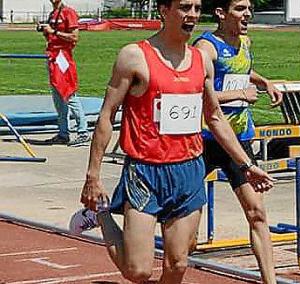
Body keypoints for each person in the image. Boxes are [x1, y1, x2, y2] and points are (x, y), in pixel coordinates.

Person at [68, 0, 274, 283]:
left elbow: (214, 117)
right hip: (145, 172)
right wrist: (93, 175)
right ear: (164, 11)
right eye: (184, 7)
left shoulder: (200, 61)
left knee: (177, 264)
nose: (192, 15)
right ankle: (102, 213)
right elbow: (107, 116)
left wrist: (246, 164)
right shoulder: (134, 56)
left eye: (197, 8)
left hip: (188, 171)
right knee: (137, 270)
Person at [192, 1, 282, 283]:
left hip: (239, 141)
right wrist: (239, 94)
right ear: (221, 13)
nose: (248, 15)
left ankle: (270, 281)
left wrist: (265, 81)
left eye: (249, 8)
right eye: (240, 9)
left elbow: (240, 72)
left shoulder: (245, 42)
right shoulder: (206, 48)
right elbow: (193, 93)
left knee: (257, 213)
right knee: (186, 229)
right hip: (204, 140)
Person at [40, 0, 90, 146]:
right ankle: (63, 133)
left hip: (63, 57)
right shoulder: (52, 14)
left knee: (68, 93)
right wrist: (45, 32)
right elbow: (50, 36)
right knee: (57, 97)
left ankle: (83, 131)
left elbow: (75, 37)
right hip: (52, 56)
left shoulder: (69, 12)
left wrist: (54, 31)